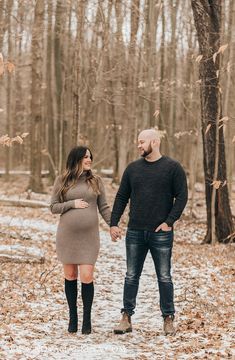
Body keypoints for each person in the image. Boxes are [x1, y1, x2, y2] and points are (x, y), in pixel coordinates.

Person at [110, 129, 188, 335]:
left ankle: (168, 318)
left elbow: (182, 196)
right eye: (138, 142)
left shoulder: (173, 168)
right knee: (131, 276)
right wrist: (113, 223)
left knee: (164, 276)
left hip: (161, 233)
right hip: (135, 231)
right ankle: (126, 318)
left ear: (155, 141)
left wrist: (169, 222)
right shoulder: (133, 169)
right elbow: (121, 197)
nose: (139, 146)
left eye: (142, 142)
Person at [50, 146, 111, 334]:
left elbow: (104, 207)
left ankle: (87, 319)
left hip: (89, 237)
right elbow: (53, 207)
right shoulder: (62, 180)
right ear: (76, 159)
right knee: (70, 276)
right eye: (86, 157)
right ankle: (73, 318)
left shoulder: (96, 181)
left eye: (90, 156)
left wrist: (113, 225)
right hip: (67, 236)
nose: (89, 159)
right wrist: (72, 204)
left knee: (86, 276)